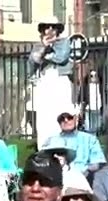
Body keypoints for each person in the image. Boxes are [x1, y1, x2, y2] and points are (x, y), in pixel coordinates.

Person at [29, 17, 75, 148]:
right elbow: (33, 62)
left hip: (60, 79)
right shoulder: (38, 45)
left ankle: (65, 145)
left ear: (57, 30)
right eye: (46, 27)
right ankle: (44, 146)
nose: (49, 30)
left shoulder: (64, 42)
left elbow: (61, 57)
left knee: (62, 112)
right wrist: (44, 47)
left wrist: (46, 55)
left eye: (52, 27)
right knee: (45, 115)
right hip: (45, 80)